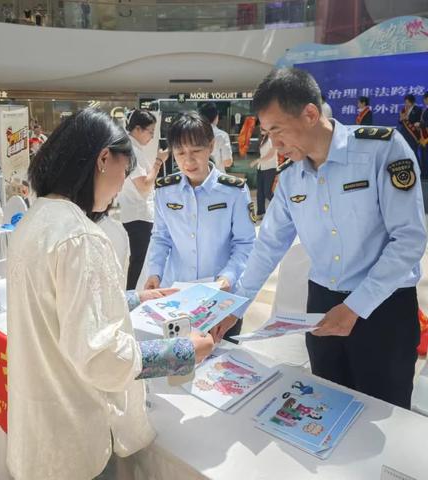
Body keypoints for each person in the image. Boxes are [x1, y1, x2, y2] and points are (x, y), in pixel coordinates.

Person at [7, 109, 214, 480]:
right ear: (104, 159)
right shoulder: (82, 236)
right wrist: (182, 351)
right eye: (124, 171)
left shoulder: (37, 219)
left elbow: (61, 308)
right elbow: (102, 358)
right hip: (75, 434)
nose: (122, 185)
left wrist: (134, 299)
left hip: (37, 426)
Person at [213, 68, 427, 409]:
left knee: (383, 411)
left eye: (278, 131)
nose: (274, 144)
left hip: (381, 307)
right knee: (326, 406)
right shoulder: (292, 176)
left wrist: (356, 306)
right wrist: (236, 305)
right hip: (323, 307)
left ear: (310, 114)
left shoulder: (380, 150)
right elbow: (268, 246)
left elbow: (409, 240)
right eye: (267, 134)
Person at [144, 112, 256, 340]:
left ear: (211, 146)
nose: (188, 160)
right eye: (180, 153)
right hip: (177, 297)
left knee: (222, 366)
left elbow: (245, 242)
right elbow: (161, 237)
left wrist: (228, 277)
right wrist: (155, 271)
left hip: (221, 298)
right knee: (180, 365)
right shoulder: (166, 190)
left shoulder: (232, 190)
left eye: (196, 151)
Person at [118, 109, 168, 290]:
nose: (151, 137)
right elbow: (144, 185)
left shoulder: (132, 149)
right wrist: (159, 162)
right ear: (138, 129)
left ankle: (132, 295)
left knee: (139, 259)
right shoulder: (133, 151)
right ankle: (132, 297)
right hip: (137, 214)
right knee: (139, 260)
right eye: (150, 132)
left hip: (135, 212)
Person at [250, 128, 278, 220]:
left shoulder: (272, 138)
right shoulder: (264, 138)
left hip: (270, 168)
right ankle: (260, 213)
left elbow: (271, 154)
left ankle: (281, 207)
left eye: (263, 127)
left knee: (267, 192)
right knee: (260, 193)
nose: (261, 128)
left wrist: (258, 160)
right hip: (261, 168)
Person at [199, 102, 233, 173]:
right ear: (216, 117)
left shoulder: (194, 134)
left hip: (198, 177)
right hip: (217, 177)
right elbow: (227, 162)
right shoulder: (222, 135)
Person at [398, 94, 422, 162]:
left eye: (408, 102)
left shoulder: (418, 109)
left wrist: (408, 118)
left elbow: (418, 120)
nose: (406, 104)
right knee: (404, 151)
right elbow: (400, 121)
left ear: (412, 102)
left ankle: (418, 169)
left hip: (413, 134)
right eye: (405, 102)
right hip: (404, 133)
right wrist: (400, 119)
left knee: (413, 151)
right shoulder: (403, 110)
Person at [417, 91, 428, 179]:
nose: (424, 101)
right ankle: (424, 173)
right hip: (424, 137)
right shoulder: (425, 110)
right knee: (424, 155)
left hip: (427, 137)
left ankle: (425, 174)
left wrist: (419, 124)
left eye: (425, 99)